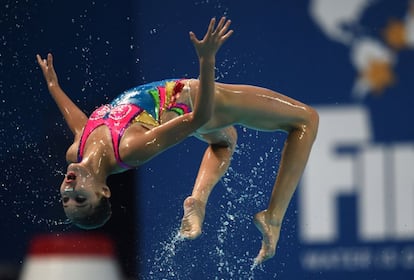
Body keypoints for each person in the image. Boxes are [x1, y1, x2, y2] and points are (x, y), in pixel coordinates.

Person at [37, 17, 318, 264]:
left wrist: (53, 86)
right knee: (306, 120)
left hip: (183, 105)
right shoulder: (130, 150)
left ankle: (197, 200)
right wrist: (207, 61)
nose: (71, 187)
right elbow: (198, 118)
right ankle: (273, 217)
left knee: (225, 140)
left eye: (66, 196)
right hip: (196, 99)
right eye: (81, 197)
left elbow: (79, 122)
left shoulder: (77, 149)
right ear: (104, 191)